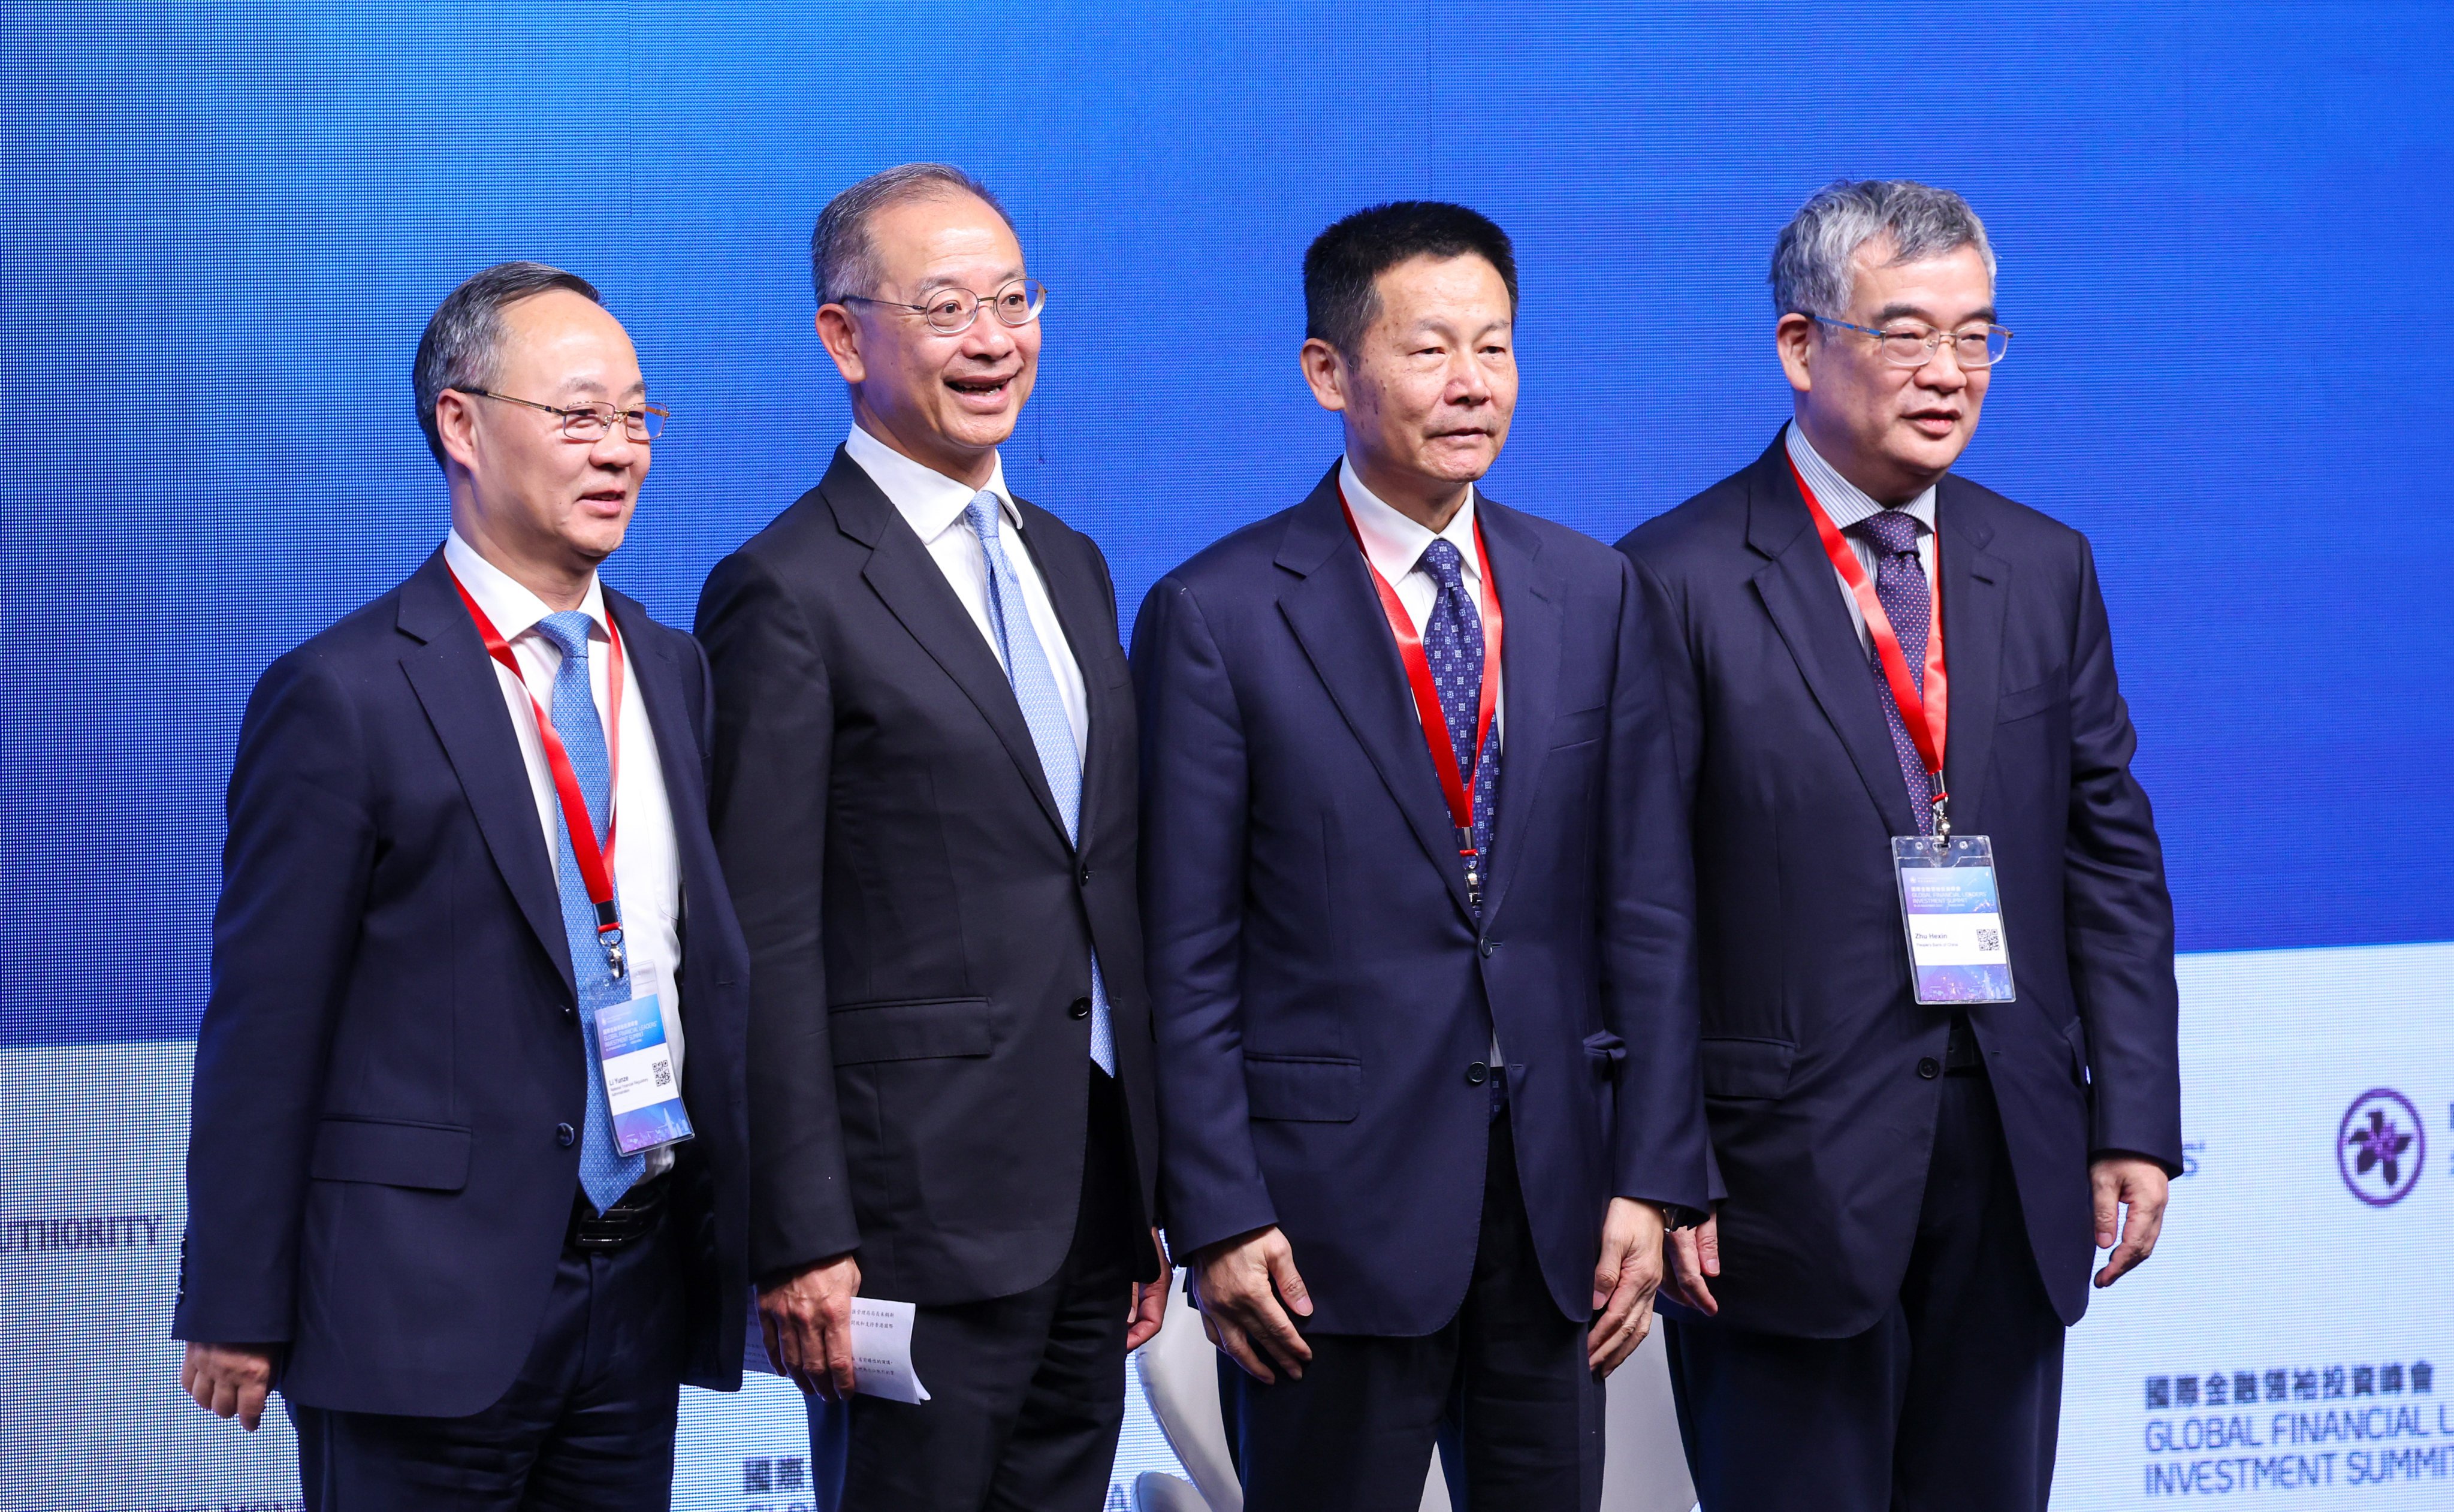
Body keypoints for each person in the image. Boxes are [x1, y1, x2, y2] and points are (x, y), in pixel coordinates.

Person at [1133, 201, 1709, 1511]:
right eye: (1430, 349)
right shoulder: (1217, 614)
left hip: (1556, 1207)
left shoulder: (1590, 589)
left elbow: (1648, 906)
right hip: (1320, 1225)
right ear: (1327, 371)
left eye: (1494, 349)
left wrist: (1656, 1175)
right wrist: (1216, 1212)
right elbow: (1184, 948)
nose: (1470, 385)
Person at [1617, 180, 2181, 1511]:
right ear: (1800, 347)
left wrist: (2135, 1120)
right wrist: (1661, 1160)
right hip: (1776, 1176)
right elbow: (1640, 905)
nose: (1948, 374)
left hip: (2013, 1151)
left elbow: (2108, 855)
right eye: (1906, 333)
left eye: (1976, 335)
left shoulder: (2042, 563)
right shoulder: (1672, 575)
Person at [173, 261, 751, 1507]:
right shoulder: (342, 692)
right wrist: (234, 1294)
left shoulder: (671, 667)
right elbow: (264, 1024)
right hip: (417, 1301)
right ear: (460, 422)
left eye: (637, 418)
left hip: (636, 1280)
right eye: (580, 416)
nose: (620, 452)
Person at [696, 163, 1169, 1511]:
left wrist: (1149, 1182)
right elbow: (761, 939)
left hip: (1087, 1204)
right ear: (844, 337)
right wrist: (797, 1233)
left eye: (1012, 301)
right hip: (903, 1223)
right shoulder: (783, 589)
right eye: (946, 306)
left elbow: (1098, 881)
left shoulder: (1067, 559)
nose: (991, 339)